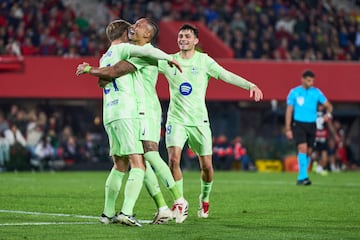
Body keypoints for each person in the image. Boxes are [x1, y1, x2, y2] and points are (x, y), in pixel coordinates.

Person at [76, 19, 187, 225]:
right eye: (133, 26)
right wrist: (170, 58)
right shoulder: (127, 50)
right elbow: (119, 68)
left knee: (125, 162)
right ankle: (133, 211)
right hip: (128, 111)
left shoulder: (107, 56)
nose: (134, 28)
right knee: (140, 162)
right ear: (126, 33)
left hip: (117, 113)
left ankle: (110, 214)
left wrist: (96, 70)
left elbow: (105, 78)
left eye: (139, 25)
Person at [157, 24, 263, 218]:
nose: (183, 39)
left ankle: (204, 198)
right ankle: (179, 203)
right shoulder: (169, 61)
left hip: (199, 121)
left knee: (206, 166)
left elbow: (226, 75)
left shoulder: (204, 61)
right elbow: (146, 63)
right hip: (176, 119)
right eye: (180, 36)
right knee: (173, 160)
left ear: (196, 41)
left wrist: (249, 85)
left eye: (187, 36)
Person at [285, 70, 333, 186]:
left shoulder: (317, 92)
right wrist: (288, 128)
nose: (311, 83)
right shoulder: (294, 92)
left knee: (309, 151)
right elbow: (289, 110)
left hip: (312, 125)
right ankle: (303, 177)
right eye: (308, 80)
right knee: (302, 148)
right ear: (302, 79)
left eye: (312, 81)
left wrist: (328, 114)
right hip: (299, 124)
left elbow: (329, 106)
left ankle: (302, 176)